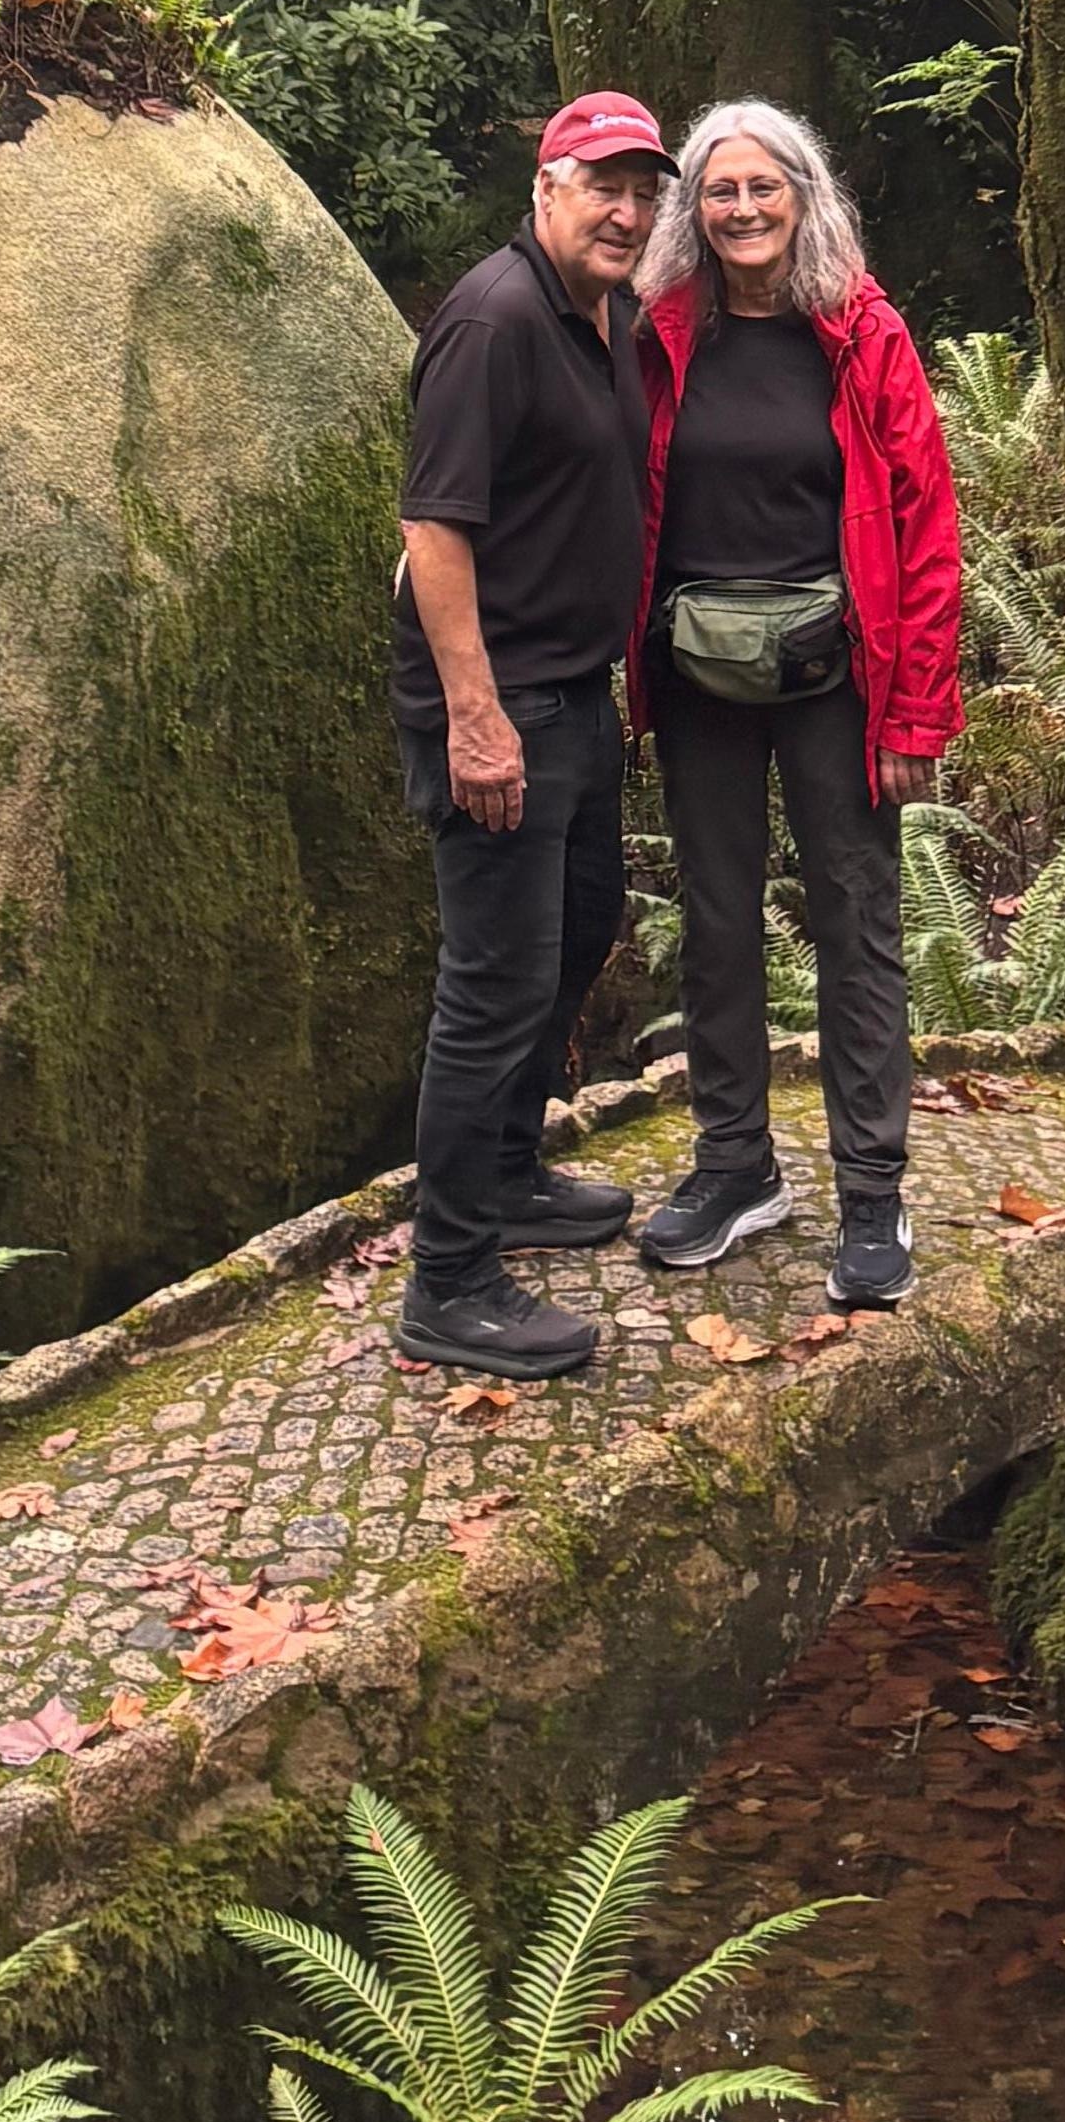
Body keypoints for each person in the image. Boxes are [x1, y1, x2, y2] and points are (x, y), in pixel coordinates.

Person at [627, 99, 959, 1312]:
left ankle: (873, 1194)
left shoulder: (861, 331)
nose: (745, 208)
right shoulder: (661, 329)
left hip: (839, 674)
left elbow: (925, 522)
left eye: (767, 187)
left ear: (806, 197)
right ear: (693, 209)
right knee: (716, 923)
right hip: (694, 672)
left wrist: (917, 713)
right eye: (722, 191)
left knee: (857, 921)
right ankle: (736, 1167)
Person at [388, 85, 668, 1373]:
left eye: (641, 191)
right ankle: (448, 1279)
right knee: (493, 989)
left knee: (576, 939)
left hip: (574, 692)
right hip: (501, 703)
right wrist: (477, 719)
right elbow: (434, 530)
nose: (625, 209)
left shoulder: (608, 319)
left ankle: (506, 1173)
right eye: (601, 184)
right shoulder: (494, 321)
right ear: (546, 189)